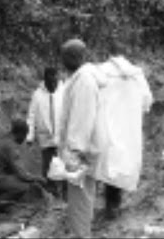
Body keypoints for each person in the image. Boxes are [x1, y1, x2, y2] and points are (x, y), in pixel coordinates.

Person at [93, 46, 153, 221]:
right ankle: (113, 206)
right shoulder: (136, 75)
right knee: (118, 166)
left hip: (103, 127)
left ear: (109, 56)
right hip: (126, 128)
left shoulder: (99, 72)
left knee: (98, 166)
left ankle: (89, 207)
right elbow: (147, 101)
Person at [58, 38, 107, 238]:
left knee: (80, 198)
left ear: (75, 57)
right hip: (82, 149)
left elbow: (82, 118)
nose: (61, 61)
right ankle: (81, 232)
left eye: (64, 57)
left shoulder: (84, 81)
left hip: (81, 151)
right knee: (81, 197)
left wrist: (74, 152)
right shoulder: (79, 79)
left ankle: (82, 235)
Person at [0, 119, 46, 213]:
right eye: (25, 135)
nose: (24, 139)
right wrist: (37, 178)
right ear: (20, 133)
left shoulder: (4, 139)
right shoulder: (11, 146)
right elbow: (22, 173)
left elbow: (15, 169)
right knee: (22, 187)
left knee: (17, 180)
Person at [26, 67, 66, 199]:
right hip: (45, 136)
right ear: (45, 80)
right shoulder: (37, 94)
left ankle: (64, 193)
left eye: (55, 81)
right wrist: (30, 135)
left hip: (62, 135)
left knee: (63, 164)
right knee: (48, 165)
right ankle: (50, 193)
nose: (53, 85)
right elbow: (31, 115)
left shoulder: (64, 91)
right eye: (50, 82)